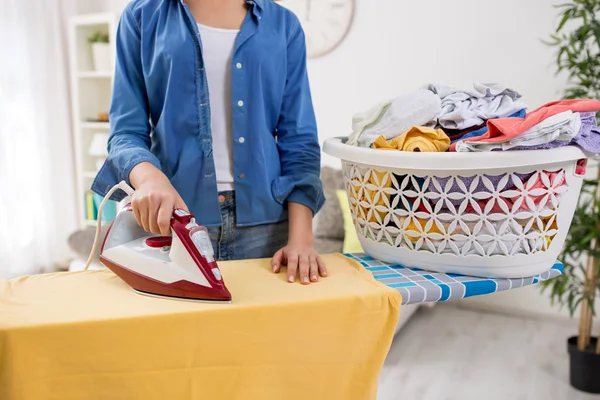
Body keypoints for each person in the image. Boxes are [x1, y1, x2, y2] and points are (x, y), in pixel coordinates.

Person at [91, 0, 326, 284]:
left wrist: (302, 239)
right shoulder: (142, 16)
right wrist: (150, 178)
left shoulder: (283, 24)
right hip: (174, 221)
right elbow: (125, 131)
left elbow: (299, 138)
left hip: (268, 227)